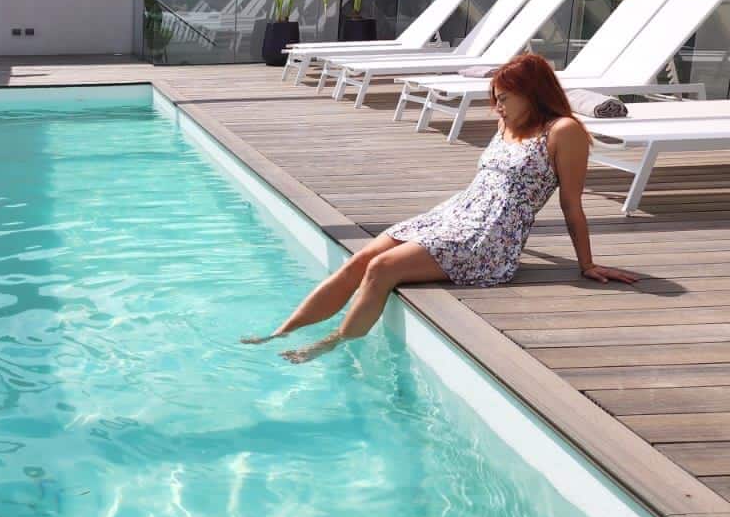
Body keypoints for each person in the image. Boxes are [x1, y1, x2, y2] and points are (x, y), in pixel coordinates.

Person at [244, 52, 639, 364]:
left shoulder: (563, 132)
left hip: (487, 239)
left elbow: (571, 203)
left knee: (382, 269)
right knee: (360, 260)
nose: (497, 108)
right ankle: (281, 332)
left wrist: (586, 264)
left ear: (531, 93)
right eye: (495, 99)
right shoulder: (508, 124)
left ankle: (331, 345)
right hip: (453, 215)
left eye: (504, 99)